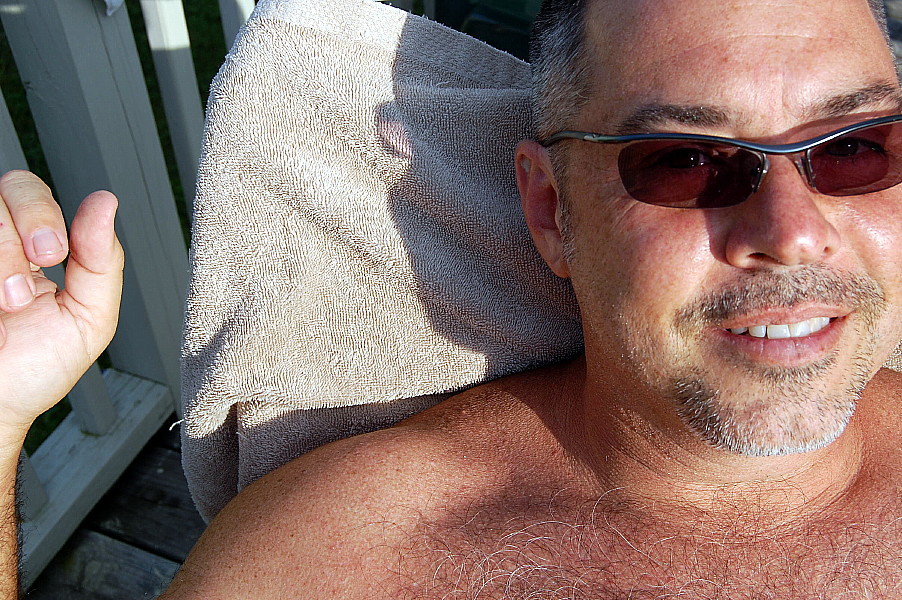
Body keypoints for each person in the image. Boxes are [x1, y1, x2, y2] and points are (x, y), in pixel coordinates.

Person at [2, 0, 901, 596]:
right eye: (685, 159)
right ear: (551, 211)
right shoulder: (355, 559)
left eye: (856, 146)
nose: (792, 232)